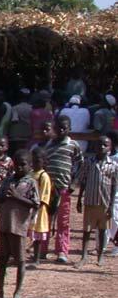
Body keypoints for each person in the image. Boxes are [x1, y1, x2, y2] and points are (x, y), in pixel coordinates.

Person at [0, 150, 39, 298]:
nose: (19, 167)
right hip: (5, 223)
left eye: (23, 164)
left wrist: (17, 197)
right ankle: (0, 291)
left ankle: (18, 291)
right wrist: (0, 197)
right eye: (16, 164)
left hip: (19, 225)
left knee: (20, 260)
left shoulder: (30, 182)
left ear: (30, 166)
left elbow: (35, 203)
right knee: (2, 259)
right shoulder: (8, 180)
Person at [44, 115, 82, 264]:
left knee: (63, 222)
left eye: (64, 128)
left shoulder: (73, 145)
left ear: (69, 129)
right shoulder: (49, 145)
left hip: (64, 189)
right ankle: (42, 249)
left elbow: (81, 165)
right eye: (58, 127)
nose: (61, 130)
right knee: (45, 219)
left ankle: (62, 251)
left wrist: (74, 184)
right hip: (48, 190)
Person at [75, 135, 118, 267]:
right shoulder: (89, 162)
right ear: (94, 147)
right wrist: (79, 199)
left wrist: (111, 206)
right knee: (87, 231)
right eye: (99, 144)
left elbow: (114, 186)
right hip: (90, 201)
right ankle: (84, 257)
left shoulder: (113, 165)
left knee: (103, 230)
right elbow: (82, 181)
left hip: (105, 203)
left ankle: (100, 256)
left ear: (110, 148)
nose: (102, 147)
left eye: (105, 145)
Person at [26, 147, 52, 269]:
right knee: (29, 233)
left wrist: (36, 208)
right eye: (34, 161)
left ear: (44, 162)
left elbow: (44, 196)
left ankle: (36, 259)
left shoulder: (44, 176)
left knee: (37, 237)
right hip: (28, 208)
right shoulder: (30, 174)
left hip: (39, 210)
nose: (35, 163)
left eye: (38, 161)